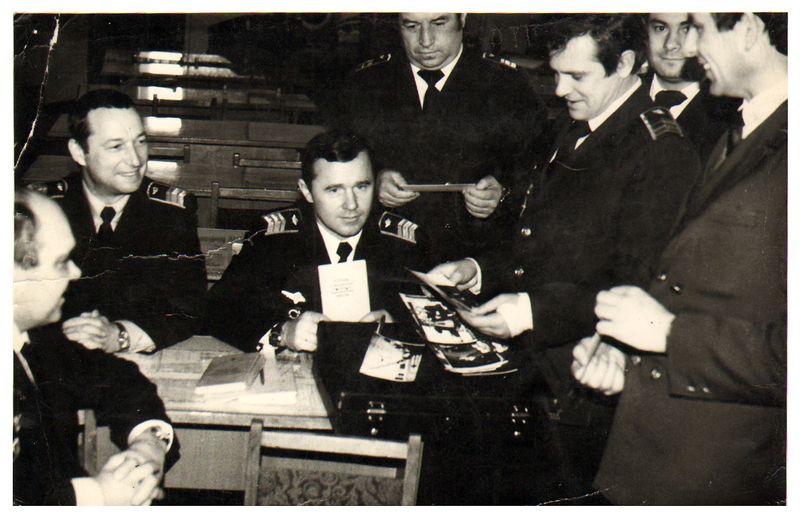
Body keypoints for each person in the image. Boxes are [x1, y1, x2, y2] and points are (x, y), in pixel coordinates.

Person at [428, 14, 702, 500]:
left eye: (576, 76)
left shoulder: (660, 153)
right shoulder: (571, 127)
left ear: (625, 65)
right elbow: (535, 235)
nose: (559, 90)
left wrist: (530, 311)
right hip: (534, 373)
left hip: (585, 386)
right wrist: (478, 271)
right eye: (556, 74)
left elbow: (637, 286)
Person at [572, 12, 787, 504]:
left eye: (699, 29)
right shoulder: (744, 127)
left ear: (748, 28)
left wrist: (667, 336)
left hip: (729, 477)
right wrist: (629, 356)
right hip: (664, 459)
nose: (687, 49)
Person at [330, 13, 548, 262]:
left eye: (438, 23)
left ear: (462, 18)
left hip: (477, 253)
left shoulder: (508, 85)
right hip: (387, 249)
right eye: (411, 26)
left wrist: (503, 192)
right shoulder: (364, 85)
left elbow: (537, 168)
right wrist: (372, 181)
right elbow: (338, 159)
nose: (425, 40)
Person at [13, 189, 178, 505]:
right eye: (61, 263)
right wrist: (98, 495)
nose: (76, 273)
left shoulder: (36, 339)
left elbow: (118, 379)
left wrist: (148, 444)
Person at [206, 130, 428, 353]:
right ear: (307, 191)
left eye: (361, 187)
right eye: (334, 190)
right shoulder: (273, 238)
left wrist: (398, 330)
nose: (351, 204)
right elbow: (217, 308)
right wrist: (282, 332)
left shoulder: (403, 243)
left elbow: (437, 320)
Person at [27, 89, 207, 353]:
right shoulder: (42, 210)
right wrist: (70, 336)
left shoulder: (171, 213)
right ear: (79, 152)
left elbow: (189, 307)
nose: (135, 160)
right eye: (116, 146)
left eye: (140, 142)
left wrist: (121, 335)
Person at [643, 12, 739, 163]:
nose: (671, 44)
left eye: (686, 29)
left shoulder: (733, 113)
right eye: (660, 28)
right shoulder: (620, 92)